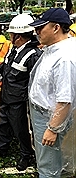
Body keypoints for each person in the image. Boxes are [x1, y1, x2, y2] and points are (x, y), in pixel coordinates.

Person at [0, 14, 42, 171]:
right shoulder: (14, 50)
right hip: (6, 98)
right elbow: (3, 68)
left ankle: (26, 156)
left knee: (22, 131)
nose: (9, 36)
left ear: (18, 36)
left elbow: (37, 84)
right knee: (4, 126)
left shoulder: (33, 55)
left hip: (20, 104)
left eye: (11, 33)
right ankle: (1, 150)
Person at [28, 8, 76, 177]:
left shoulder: (64, 58)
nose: (36, 32)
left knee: (49, 166)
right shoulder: (54, 48)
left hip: (49, 118)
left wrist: (52, 129)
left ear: (56, 28)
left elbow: (65, 100)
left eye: (41, 27)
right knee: (48, 159)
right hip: (43, 114)